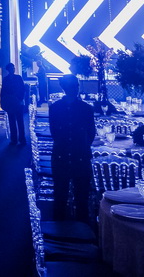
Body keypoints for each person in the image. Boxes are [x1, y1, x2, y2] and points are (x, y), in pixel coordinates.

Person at [49, 75, 96, 221]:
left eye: (76, 86)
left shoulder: (85, 108)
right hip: (68, 155)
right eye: (73, 86)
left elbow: (91, 133)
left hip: (73, 155)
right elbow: (90, 134)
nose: (75, 89)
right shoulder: (57, 108)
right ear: (65, 88)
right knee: (61, 196)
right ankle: (63, 228)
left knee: (81, 198)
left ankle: (77, 229)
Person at [0, 62, 28, 145]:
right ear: (8, 69)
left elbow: (22, 89)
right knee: (11, 120)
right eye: (12, 68)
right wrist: (3, 101)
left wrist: (20, 99)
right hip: (10, 102)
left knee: (20, 120)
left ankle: (22, 139)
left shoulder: (18, 78)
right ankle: (14, 139)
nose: (13, 69)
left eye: (14, 68)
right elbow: (3, 91)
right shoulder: (5, 79)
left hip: (18, 101)